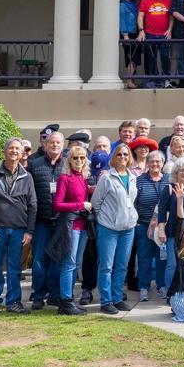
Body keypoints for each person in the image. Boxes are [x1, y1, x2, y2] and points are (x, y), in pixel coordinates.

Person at [0, 138, 36, 316]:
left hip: (19, 230)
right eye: (11, 148)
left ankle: (14, 302)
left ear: (22, 153)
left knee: (14, 268)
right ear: (5, 151)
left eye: (17, 149)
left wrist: (30, 231)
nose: (14, 151)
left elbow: (33, 205)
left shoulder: (27, 176)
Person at [89, 143, 138, 315]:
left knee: (122, 266)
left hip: (128, 228)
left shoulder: (132, 177)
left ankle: (117, 298)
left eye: (126, 155)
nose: (123, 158)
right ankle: (106, 300)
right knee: (106, 266)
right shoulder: (106, 178)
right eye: (119, 155)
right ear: (114, 157)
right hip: (108, 228)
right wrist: (106, 218)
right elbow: (96, 203)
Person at [52, 143, 93, 316]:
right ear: (69, 160)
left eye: (82, 158)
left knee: (76, 264)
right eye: (75, 158)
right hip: (70, 227)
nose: (79, 161)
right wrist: (80, 204)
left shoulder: (83, 178)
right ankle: (66, 301)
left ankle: (69, 301)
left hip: (82, 226)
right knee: (69, 264)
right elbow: (57, 205)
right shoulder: (65, 178)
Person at [26, 129, 65, 310]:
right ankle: (38, 295)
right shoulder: (34, 164)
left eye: (58, 142)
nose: (54, 145)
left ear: (62, 146)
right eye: (51, 142)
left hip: (61, 220)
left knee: (57, 259)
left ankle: (55, 294)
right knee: (39, 259)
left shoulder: (67, 165)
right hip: (41, 219)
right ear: (45, 144)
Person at [132, 150, 170, 303]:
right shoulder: (139, 180)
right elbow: (134, 202)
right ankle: (143, 287)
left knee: (162, 258)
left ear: (163, 164)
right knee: (144, 258)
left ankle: (161, 286)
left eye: (158, 161)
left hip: (163, 227)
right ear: (147, 163)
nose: (155, 164)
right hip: (144, 225)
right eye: (152, 161)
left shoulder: (169, 180)